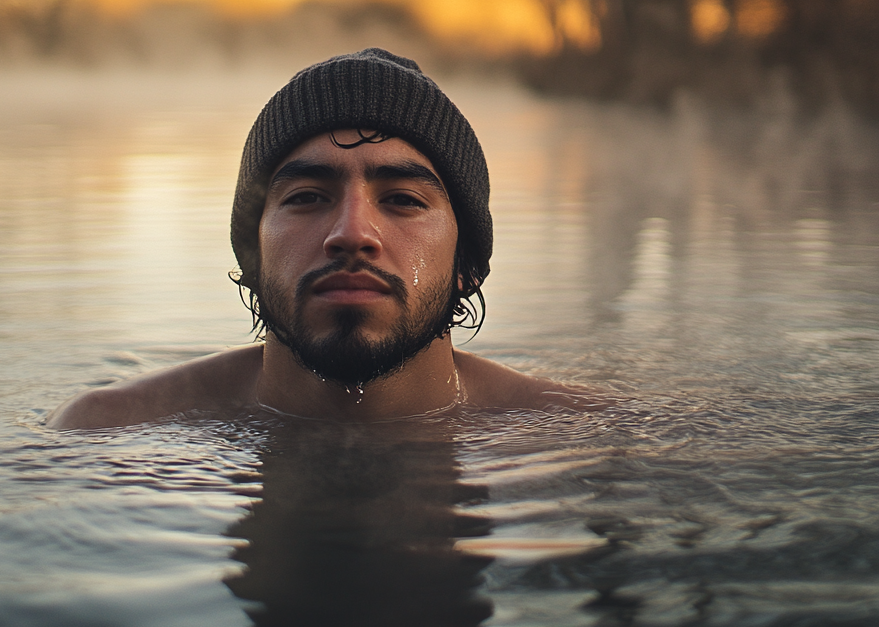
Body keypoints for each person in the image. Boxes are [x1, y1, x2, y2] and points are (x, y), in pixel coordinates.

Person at [48, 48, 595, 430]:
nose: (352, 234)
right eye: (307, 197)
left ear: (467, 263)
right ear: (251, 252)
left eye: (403, 200)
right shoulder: (108, 435)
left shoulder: (585, 440)